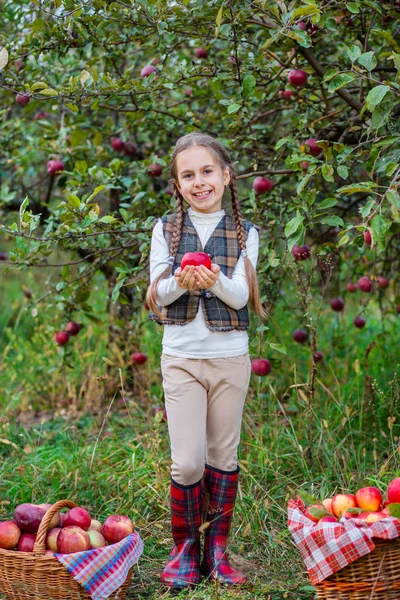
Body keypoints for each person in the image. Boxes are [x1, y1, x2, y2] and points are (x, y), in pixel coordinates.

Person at [145, 131, 266, 590]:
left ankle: (216, 548)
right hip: (181, 358)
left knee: (222, 456)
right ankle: (184, 548)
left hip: (229, 359)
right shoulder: (166, 230)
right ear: (177, 185)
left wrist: (211, 278)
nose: (199, 181)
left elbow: (239, 297)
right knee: (189, 462)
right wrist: (182, 277)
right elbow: (158, 295)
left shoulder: (245, 233)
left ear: (226, 176)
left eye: (207, 171)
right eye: (188, 175)